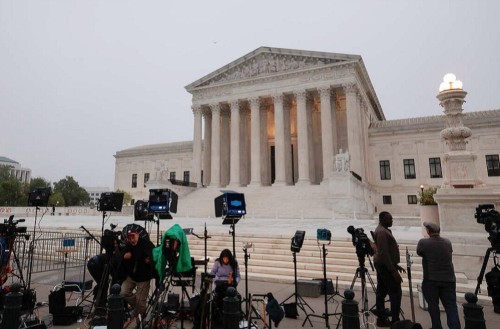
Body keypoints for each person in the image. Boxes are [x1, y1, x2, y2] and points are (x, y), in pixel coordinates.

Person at [417, 222, 461, 329]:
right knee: (451, 307)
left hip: (431, 279)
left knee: (433, 306)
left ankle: (437, 326)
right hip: (449, 279)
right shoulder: (447, 242)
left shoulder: (423, 242)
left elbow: (420, 252)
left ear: (428, 231)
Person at [373, 211, 404, 327]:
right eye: (389, 219)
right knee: (395, 292)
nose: (391, 221)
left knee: (381, 291)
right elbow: (383, 253)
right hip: (385, 267)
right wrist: (393, 270)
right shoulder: (381, 232)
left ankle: (381, 318)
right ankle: (395, 320)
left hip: (384, 265)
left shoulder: (383, 230)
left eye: (391, 219)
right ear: (382, 220)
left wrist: (396, 265)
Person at [121, 226, 155, 319]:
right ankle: (138, 308)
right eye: (129, 237)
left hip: (143, 278)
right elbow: (121, 255)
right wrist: (124, 256)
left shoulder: (146, 244)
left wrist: (150, 259)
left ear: (137, 235)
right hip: (131, 276)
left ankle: (139, 319)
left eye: (133, 237)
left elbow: (154, 254)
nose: (131, 239)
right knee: (123, 292)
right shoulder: (128, 246)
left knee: (141, 302)